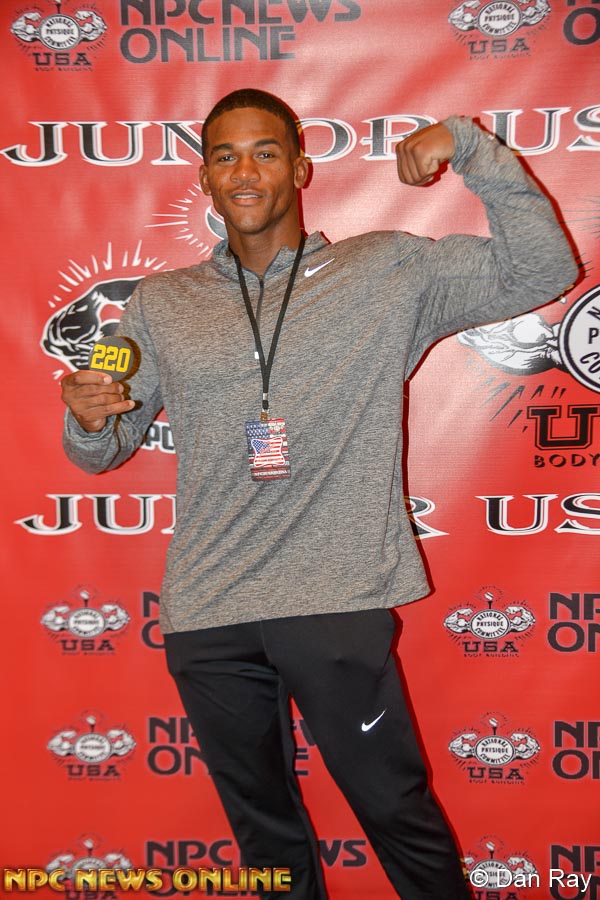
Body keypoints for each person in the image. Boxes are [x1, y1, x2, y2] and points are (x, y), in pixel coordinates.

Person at [61, 89, 577, 899]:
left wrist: (472, 147)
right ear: (204, 177)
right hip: (208, 609)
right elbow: (104, 448)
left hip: (336, 601)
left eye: (265, 152)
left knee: (396, 812)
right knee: (263, 837)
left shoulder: (387, 270)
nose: (245, 171)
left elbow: (545, 268)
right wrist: (89, 419)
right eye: (226, 155)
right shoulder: (159, 305)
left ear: (300, 169)